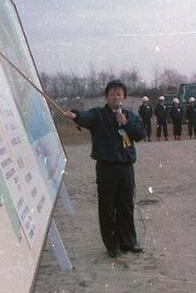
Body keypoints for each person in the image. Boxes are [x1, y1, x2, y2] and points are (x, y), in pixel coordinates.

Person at [62, 80, 145, 257]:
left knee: (126, 206)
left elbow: (140, 134)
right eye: (112, 94)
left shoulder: (129, 116)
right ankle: (112, 245)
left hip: (126, 168)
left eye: (119, 94)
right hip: (106, 168)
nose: (116, 98)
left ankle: (129, 242)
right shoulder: (98, 115)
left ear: (125, 97)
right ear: (106, 96)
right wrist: (76, 115)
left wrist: (125, 123)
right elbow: (85, 117)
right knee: (107, 207)